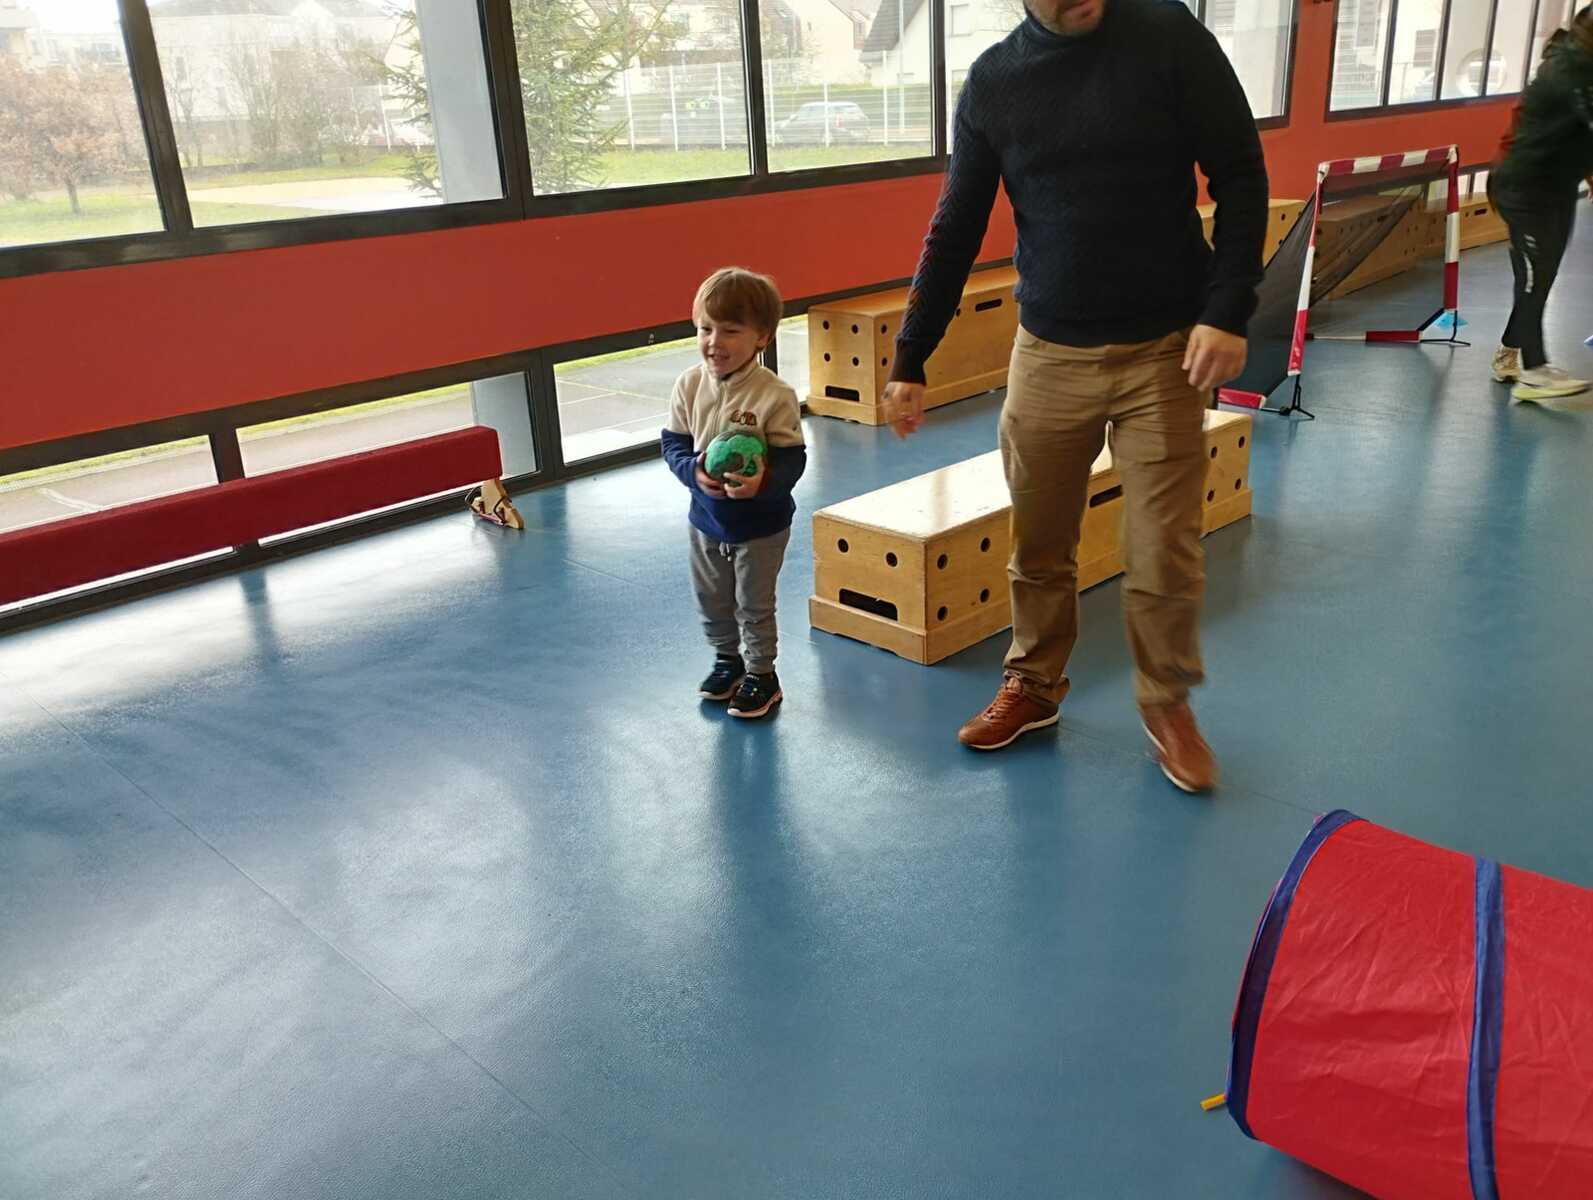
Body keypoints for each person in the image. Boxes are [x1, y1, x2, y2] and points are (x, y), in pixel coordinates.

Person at [880, 0, 1267, 792]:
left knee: (1162, 546)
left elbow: (1239, 172)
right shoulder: (995, 82)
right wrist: (911, 356)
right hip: (1049, 353)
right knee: (1038, 543)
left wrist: (1226, 309)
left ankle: (1164, 701)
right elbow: (956, 224)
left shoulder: (1168, 36)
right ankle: (1032, 685)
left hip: (1165, 348)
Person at [661, 268, 807, 719]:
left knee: (754, 604)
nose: (714, 342)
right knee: (712, 599)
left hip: (761, 525)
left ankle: (762, 674)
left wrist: (762, 484)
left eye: (730, 331)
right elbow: (674, 443)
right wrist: (693, 473)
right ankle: (728, 660)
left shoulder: (774, 395)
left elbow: (792, 459)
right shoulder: (689, 385)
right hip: (706, 520)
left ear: (762, 337)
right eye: (705, 329)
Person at [1489, 8, 1593, 405]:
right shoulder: (1567, 72)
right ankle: (1533, 370)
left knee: (1540, 277)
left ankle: (1510, 354)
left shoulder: (1580, 70)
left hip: (1557, 186)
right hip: (1524, 186)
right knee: (1534, 277)